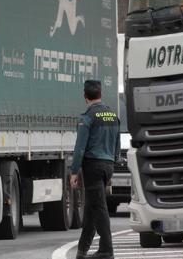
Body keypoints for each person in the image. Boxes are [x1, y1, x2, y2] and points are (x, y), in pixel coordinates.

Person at [70, 80, 120, 259]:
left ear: (85, 96)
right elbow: (117, 145)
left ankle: (107, 250)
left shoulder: (87, 117)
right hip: (108, 166)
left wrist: (74, 171)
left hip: (93, 166)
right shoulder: (113, 115)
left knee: (98, 207)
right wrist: (112, 166)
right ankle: (82, 250)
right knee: (91, 208)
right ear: (101, 94)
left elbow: (80, 148)